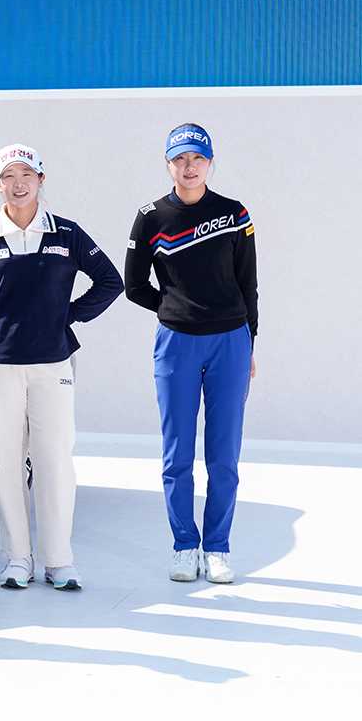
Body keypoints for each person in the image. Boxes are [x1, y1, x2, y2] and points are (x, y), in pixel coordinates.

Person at [0, 144, 122, 591]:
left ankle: (59, 560)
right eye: (9, 175)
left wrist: (68, 315)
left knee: (53, 460)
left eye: (27, 173)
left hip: (52, 362)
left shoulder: (67, 233)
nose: (19, 182)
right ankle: (16, 559)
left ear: (41, 179)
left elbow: (111, 281)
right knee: (6, 461)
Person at [124, 123, 257, 585]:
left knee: (224, 454)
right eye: (180, 159)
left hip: (230, 342)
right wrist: (174, 308)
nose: (189, 167)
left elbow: (248, 285)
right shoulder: (151, 217)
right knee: (177, 453)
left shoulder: (234, 213)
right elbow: (133, 285)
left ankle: (217, 547)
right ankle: (184, 545)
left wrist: (250, 344)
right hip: (176, 343)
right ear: (168, 163)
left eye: (197, 158)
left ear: (210, 162)